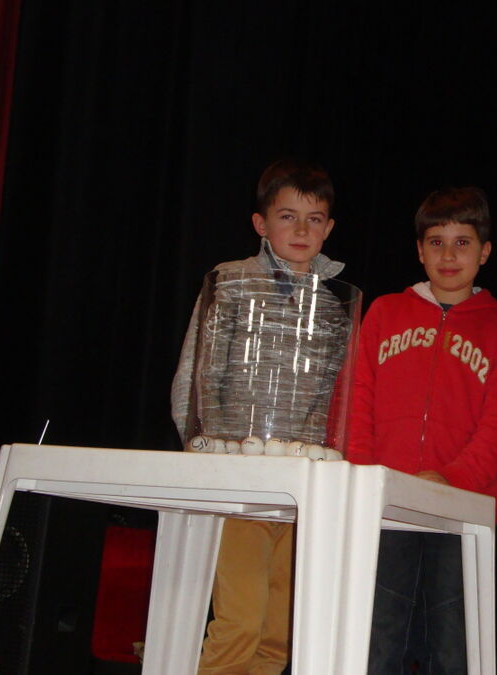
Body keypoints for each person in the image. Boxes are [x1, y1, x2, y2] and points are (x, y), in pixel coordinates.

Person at [171, 158, 347, 674]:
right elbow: (196, 374)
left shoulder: (334, 308)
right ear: (261, 223)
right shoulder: (230, 281)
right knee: (240, 624)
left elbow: (332, 399)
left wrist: (319, 474)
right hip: (238, 481)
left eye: (314, 219)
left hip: (299, 488)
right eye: (287, 216)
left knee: (279, 635)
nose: (301, 230)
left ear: (329, 228)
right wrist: (204, 453)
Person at [347, 186, 497, 674]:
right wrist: (368, 478)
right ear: (419, 251)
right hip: (386, 506)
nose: (448, 256)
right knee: (377, 640)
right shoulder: (384, 312)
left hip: (462, 509)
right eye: (436, 242)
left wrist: (451, 480)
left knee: (453, 648)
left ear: (484, 252)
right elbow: (356, 400)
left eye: (462, 242)